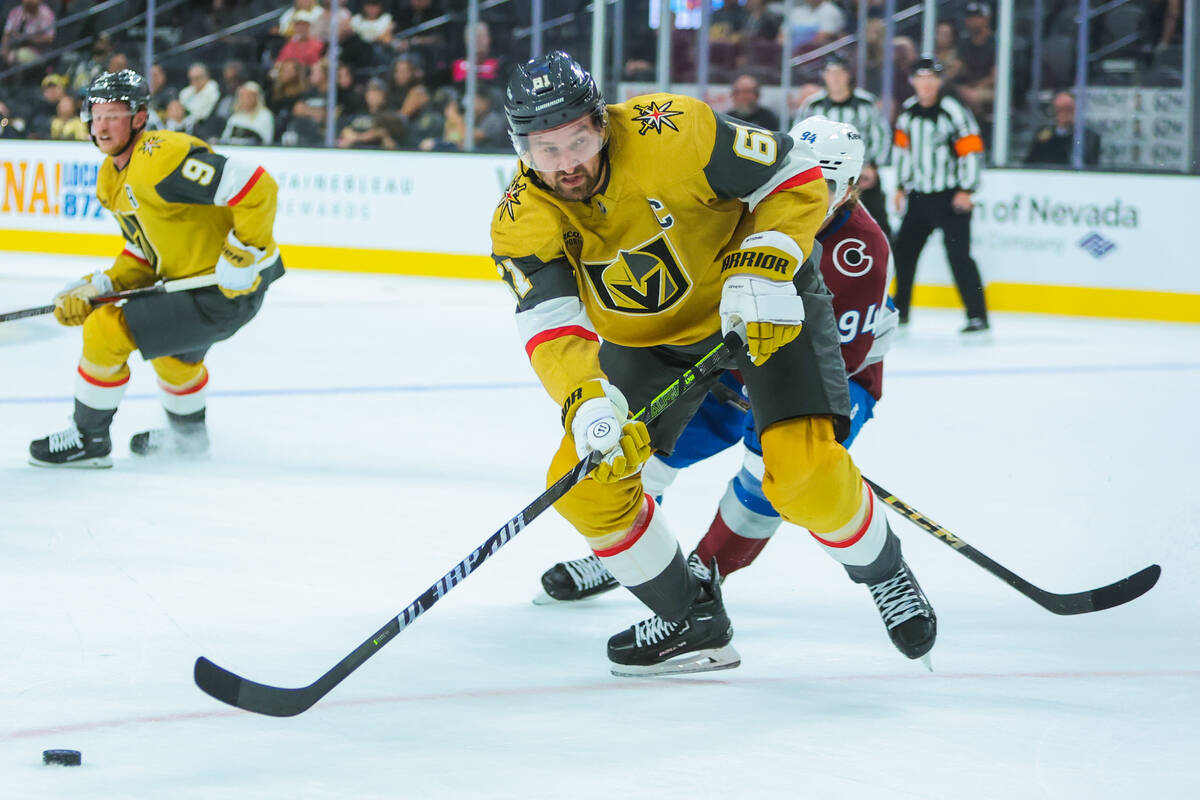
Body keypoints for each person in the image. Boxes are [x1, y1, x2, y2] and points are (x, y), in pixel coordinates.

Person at [491, 51, 935, 676]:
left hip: (762, 306)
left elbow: (794, 172)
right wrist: (585, 397)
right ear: (520, 147)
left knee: (802, 478)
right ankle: (691, 619)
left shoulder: (675, 129)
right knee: (586, 487)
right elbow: (551, 321)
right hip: (652, 344)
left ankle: (885, 572)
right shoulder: (519, 219)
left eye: (578, 139)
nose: (567, 162)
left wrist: (770, 257)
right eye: (546, 149)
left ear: (601, 122)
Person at [537, 117, 906, 618]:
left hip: (839, 379)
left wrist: (766, 390)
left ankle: (708, 573)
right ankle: (632, 559)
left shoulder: (861, 253)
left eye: (828, 186)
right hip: (731, 367)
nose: (811, 195)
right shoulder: (753, 207)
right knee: (644, 452)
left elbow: (840, 358)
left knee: (774, 473)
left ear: (850, 189)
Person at [28, 70, 284, 468]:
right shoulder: (109, 179)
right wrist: (101, 285)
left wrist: (242, 252)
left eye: (114, 114)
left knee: (105, 330)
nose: (102, 125)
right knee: (173, 357)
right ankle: (188, 441)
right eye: (96, 115)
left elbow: (257, 185)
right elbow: (145, 254)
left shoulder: (160, 157)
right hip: (194, 287)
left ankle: (88, 439)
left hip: (227, 289)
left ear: (139, 118)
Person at [891, 57, 988, 334]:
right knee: (904, 253)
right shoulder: (908, 112)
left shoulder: (953, 111)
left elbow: (971, 149)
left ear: (939, 81)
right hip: (919, 197)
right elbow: (902, 152)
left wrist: (966, 189)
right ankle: (901, 311)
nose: (925, 84)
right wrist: (899, 186)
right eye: (920, 78)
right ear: (913, 81)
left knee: (959, 256)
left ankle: (977, 315)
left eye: (931, 78)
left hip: (950, 197)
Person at [795, 54, 892, 239]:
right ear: (824, 76)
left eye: (840, 72)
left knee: (877, 228)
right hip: (821, 178)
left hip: (862, 178)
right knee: (815, 226)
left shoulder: (866, 104)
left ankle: (884, 262)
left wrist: (873, 166)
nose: (836, 78)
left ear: (848, 75)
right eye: (831, 73)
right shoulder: (812, 106)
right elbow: (800, 140)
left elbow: (881, 136)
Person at [1024, 91, 1100, 167]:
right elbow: (1031, 162)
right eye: (1060, 109)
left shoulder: (1090, 137)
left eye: (1068, 109)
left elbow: (1088, 164)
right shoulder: (1043, 135)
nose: (1064, 113)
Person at [219, 81, 275, 146]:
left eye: (249, 96)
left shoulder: (265, 115)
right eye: (242, 96)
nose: (245, 99)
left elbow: (266, 140)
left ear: (257, 97)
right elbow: (225, 139)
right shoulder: (235, 117)